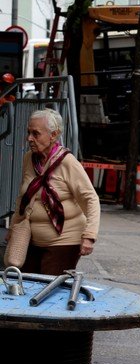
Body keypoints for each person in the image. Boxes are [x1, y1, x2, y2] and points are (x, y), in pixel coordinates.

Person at [9, 109, 100, 275]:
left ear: (53, 135)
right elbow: (24, 197)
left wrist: (89, 235)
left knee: (48, 290)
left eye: (36, 134)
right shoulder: (29, 158)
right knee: (25, 285)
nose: (29, 138)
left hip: (64, 240)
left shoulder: (67, 162)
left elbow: (90, 198)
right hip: (31, 239)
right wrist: (13, 227)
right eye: (29, 132)